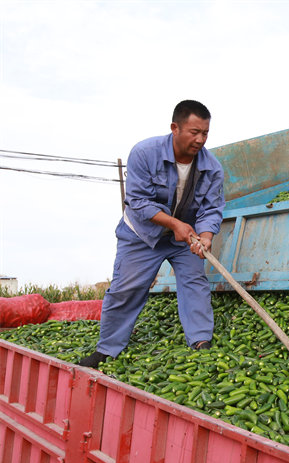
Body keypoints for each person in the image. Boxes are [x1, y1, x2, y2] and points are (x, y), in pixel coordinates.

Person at [78, 100, 225, 368]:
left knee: (195, 284)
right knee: (126, 289)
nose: (200, 139)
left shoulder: (212, 167)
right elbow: (139, 201)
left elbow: (211, 209)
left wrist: (205, 237)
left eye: (205, 133)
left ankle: (201, 341)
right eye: (194, 132)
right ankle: (108, 349)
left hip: (184, 238)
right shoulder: (144, 153)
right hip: (142, 235)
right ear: (175, 128)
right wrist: (175, 224)